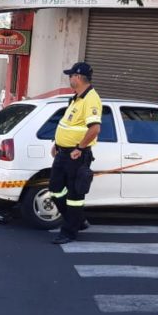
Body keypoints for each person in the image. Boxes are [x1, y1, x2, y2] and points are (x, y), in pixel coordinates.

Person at [49, 62, 101, 245]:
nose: (69, 78)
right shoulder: (76, 98)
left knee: (74, 196)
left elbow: (94, 129)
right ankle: (77, 220)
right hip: (63, 153)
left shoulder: (91, 99)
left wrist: (79, 148)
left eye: (70, 76)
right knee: (55, 188)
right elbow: (67, 125)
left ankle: (69, 231)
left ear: (78, 77)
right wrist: (57, 143)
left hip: (76, 155)